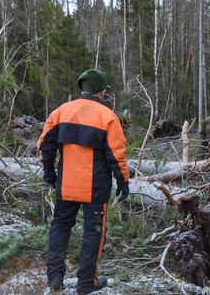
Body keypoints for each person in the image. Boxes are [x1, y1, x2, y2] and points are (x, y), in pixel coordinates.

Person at [37, 69, 130, 294]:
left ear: (82, 88)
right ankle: (87, 283)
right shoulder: (107, 116)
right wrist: (123, 181)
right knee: (93, 232)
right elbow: (116, 154)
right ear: (102, 91)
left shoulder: (60, 112)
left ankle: (55, 279)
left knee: (60, 226)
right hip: (95, 187)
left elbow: (45, 146)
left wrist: (49, 172)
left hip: (66, 184)